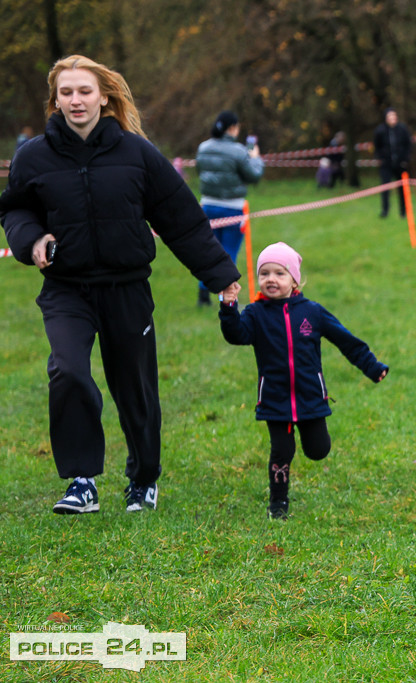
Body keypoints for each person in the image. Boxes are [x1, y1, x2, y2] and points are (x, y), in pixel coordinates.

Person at [0, 55, 241, 514]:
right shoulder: (33, 156)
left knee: (135, 388)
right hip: (66, 289)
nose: (75, 100)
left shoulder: (136, 153)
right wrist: (30, 240)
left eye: (84, 91)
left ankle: (144, 477)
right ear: (54, 100)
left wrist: (221, 276)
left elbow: (182, 220)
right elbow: (14, 209)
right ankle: (82, 480)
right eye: (66, 92)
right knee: (67, 371)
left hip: (127, 288)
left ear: (104, 96)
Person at [219, 242, 388, 519]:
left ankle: (307, 453)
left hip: (310, 397)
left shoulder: (312, 312)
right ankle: (278, 504)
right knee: (281, 452)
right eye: (264, 274)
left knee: (318, 450)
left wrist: (371, 366)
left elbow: (345, 340)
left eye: (279, 273)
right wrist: (228, 307)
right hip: (275, 399)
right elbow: (236, 334)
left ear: (295, 280)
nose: (271, 279)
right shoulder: (254, 314)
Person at [195, 110, 264, 306]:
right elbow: (254, 175)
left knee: (209, 252)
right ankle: (225, 297)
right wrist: (256, 158)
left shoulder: (203, 148)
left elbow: (200, 170)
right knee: (228, 253)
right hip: (233, 209)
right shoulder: (239, 151)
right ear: (232, 128)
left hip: (207, 206)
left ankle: (203, 293)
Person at [373, 108, 412, 218]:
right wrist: (381, 158)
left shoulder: (402, 129)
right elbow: (377, 146)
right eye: (390, 117)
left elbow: (408, 145)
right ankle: (385, 211)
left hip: (400, 164)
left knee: (402, 189)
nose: (392, 119)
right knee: (385, 187)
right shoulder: (380, 130)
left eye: (394, 116)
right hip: (386, 164)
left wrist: (405, 159)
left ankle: (403, 212)